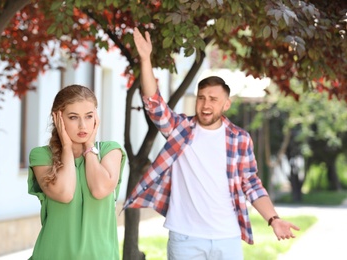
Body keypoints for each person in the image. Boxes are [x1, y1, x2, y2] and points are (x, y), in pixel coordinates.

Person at [123, 28, 300, 260]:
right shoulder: (180, 129)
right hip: (185, 238)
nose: (206, 105)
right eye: (202, 98)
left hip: (227, 238)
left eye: (213, 99)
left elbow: (251, 185)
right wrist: (146, 60)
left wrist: (273, 219)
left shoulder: (240, 139)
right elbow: (154, 105)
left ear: (226, 104)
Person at [28, 84, 126, 260]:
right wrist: (66, 147)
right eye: (73, 117)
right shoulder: (41, 156)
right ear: (57, 117)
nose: (83, 125)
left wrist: (89, 146)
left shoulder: (110, 151)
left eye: (89, 117)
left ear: (96, 118)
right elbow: (65, 193)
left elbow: (99, 190)